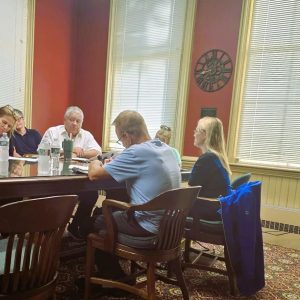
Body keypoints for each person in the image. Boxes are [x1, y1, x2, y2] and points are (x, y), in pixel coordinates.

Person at [87, 110, 181, 280]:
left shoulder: (136, 152)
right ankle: (116, 265)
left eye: (120, 139)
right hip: (169, 227)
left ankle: (111, 277)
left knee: (96, 220)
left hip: (147, 227)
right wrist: (115, 164)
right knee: (104, 213)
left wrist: (95, 160)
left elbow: (94, 174)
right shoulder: (165, 149)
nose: (122, 144)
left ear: (127, 135)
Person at [42, 106, 102, 238]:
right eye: (71, 120)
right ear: (65, 120)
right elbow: (42, 150)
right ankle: (50, 231)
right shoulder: (53, 132)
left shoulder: (86, 135)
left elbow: (98, 151)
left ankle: (75, 227)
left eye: (78, 121)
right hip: (54, 178)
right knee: (55, 198)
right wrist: (69, 150)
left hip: (76, 179)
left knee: (92, 194)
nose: (75, 123)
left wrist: (83, 152)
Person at [188, 116, 232, 220]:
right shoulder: (216, 157)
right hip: (218, 209)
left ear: (205, 134)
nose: (194, 133)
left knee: (167, 213)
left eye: (197, 130)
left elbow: (190, 191)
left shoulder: (207, 158)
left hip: (209, 211)